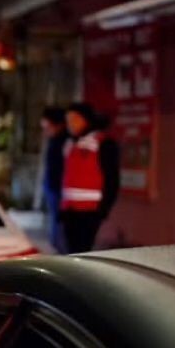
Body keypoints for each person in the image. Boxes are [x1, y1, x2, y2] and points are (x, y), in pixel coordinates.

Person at [60, 102, 120, 254]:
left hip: (90, 211)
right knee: (71, 252)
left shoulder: (103, 143)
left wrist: (103, 209)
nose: (70, 124)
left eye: (75, 119)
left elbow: (112, 179)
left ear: (87, 119)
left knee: (83, 251)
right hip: (69, 209)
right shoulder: (69, 144)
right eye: (68, 120)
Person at [39, 106, 69, 254]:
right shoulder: (55, 140)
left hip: (60, 190)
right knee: (54, 226)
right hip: (53, 187)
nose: (45, 130)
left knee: (59, 228)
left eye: (47, 126)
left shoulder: (64, 141)